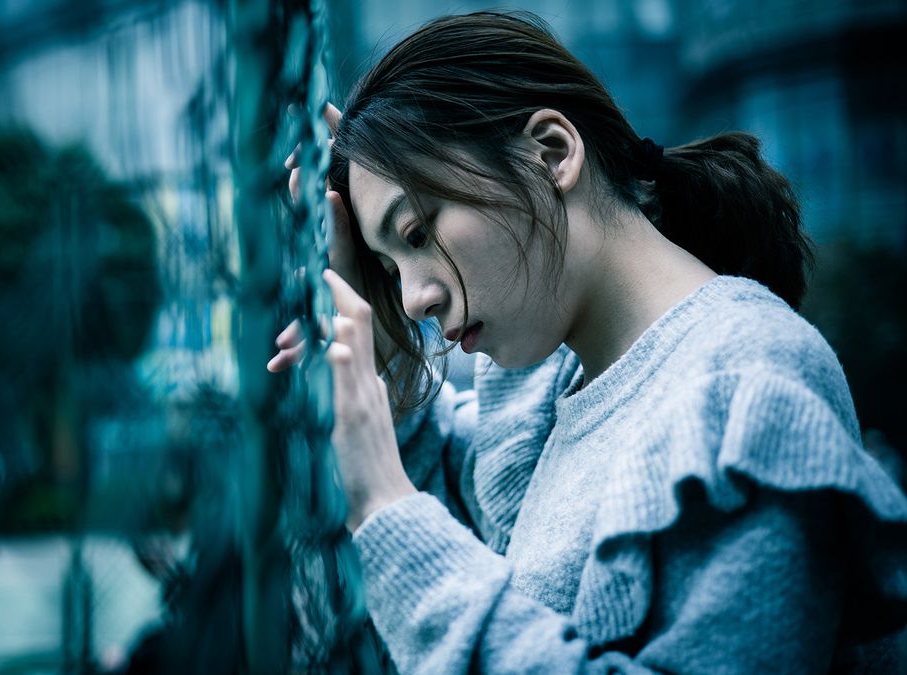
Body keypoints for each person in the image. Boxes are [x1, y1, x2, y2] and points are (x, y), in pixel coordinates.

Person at [268, 11, 907, 673]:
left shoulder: (748, 384)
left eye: (418, 232)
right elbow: (474, 553)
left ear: (551, 152)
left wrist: (382, 502)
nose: (413, 299)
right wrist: (385, 384)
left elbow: (450, 576)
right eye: (392, 268)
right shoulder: (550, 390)